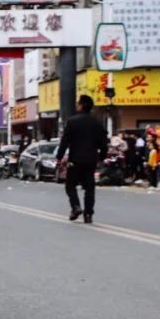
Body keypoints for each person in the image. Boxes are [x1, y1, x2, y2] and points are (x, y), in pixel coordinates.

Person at [56, 95, 108, 223]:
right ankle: (88, 214)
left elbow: (65, 141)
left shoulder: (72, 121)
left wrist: (59, 157)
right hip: (91, 160)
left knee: (70, 185)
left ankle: (76, 207)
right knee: (89, 188)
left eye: (78, 103)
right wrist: (101, 157)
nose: (77, 105)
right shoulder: (97, 123)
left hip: (75, 159)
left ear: (82, 105)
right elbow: (103, 144)